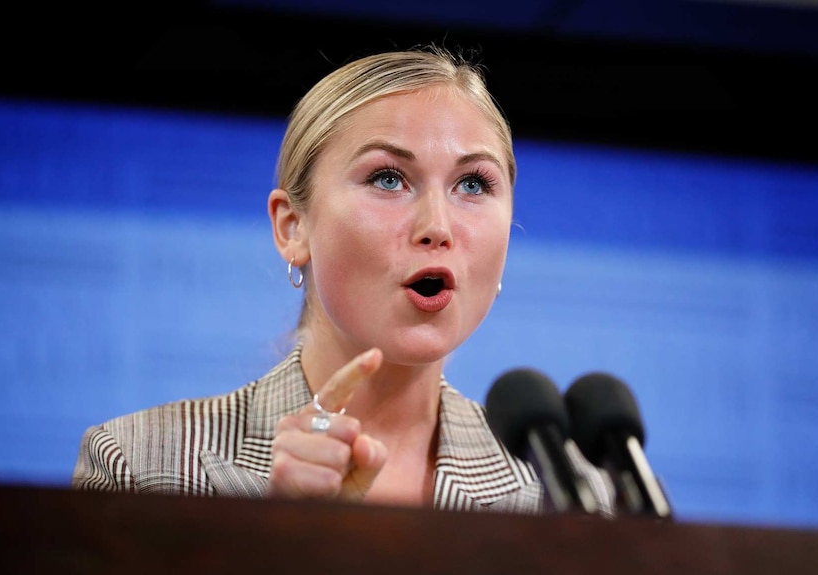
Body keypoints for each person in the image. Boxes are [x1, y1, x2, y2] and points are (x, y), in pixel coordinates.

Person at [72, 44, 613, 514]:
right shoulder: (140, 464)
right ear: (293, 226)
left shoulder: (572, 495)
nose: (438, 227)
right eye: (388, 178)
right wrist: (282, 544)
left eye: (473, 184)